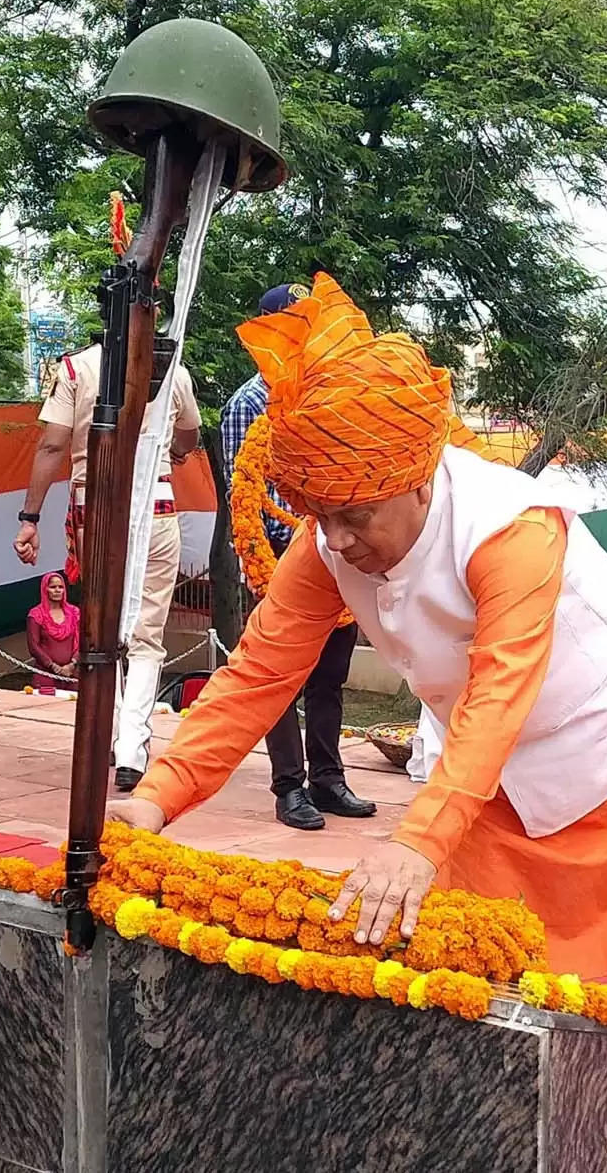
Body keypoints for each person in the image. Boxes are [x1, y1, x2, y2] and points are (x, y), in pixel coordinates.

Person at [108, 274, 607, 1003]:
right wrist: (155, 799)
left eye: (356, 516)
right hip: (482, 776)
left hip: (605, 741)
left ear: (417, 484)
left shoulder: (511, 530)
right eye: (320, 514)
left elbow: (501, 693)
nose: (337, 540)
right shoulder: (325, 544)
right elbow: (257, 676)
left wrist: (416, 839)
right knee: (475, 949)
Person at [14, 331, 200, 792]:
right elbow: (190, 435)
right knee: (146, 633)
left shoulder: (76, 369)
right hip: (155, 508)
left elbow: (52, 446)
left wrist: (30, 517)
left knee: (104, 628)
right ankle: (133, 743)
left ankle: (115, 736)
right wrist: (174, 451)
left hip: (94, 509)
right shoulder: (172, 367)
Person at [220, 284, 375, 831]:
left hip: (332, 559)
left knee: (330, 679)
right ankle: (289, 788)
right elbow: (246, 492)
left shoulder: (329, 394)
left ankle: (328, 780)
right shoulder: (249, 404)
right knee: (280, 678)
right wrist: (280, 562)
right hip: (280, 563)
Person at [26, 572, 80, 695]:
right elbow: (34, 646)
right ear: (45, 589)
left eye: (60, 587)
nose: (57, 590)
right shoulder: (36, 615)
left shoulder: (74, 613)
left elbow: (81, 642)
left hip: (71, 675)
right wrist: (52, 666)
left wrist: (72, 665)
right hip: (46, 675)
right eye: (53, 587)